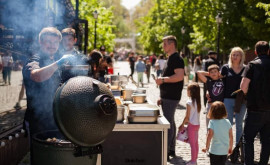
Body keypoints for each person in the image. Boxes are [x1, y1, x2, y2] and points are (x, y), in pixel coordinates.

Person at [23, 27, 74, 145]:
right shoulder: (35, 59)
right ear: (40, 42)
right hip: (37, 120)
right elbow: (36, 76)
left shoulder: (54, 59)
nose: (52, 45)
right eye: (48, 41)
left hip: (55, 118)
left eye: (55, 42)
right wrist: (59, 63)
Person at [240, 41, 270, 165]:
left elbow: (243, 86)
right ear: (268, 51)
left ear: (256, 51)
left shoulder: (251, 65)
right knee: (267, 140)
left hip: (255, 108)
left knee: (248, 139)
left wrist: (249, 95)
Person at [155, 35, 184, 160]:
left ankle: (166, 150)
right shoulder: (171, 58)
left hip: (172, 96)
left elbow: (179, 77)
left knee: (168, 123)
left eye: (165, 44)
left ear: (172, 44)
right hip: (168, 95)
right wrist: (162, 95)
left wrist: (162, 79)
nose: (163, 46)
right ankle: (171, 148)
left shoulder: (176, 58)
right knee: (170, 121)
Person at [220, 47, 246, 146]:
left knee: (239, 125)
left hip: (241, 100)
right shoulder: (225, 68)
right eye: (233, 54)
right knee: (228, 124)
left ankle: (238, 148)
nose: (235, 57)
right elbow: (219, 82)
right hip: (227, 99)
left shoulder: (245, 68)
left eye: (237, 55)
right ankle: (228, 147)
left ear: (241, 57)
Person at [179, 82, 201, 165]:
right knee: (196, 143)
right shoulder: (198, 102)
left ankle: (193, 161)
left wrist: (182, 125)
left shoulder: (189, 102)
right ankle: (194, 159)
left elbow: (187, 116)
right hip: (197, 125)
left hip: (191, 125)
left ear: (190, 91)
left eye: (187, 90)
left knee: (192, 144)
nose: (186, 91)